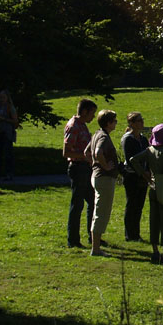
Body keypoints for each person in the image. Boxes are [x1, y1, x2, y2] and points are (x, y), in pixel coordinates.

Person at [131, 123, 163, 264]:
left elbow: (133, 160)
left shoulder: (149, 150)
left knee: (154, 220)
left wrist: (144, 174)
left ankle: (155, 251)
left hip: (153, 187)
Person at [62, 99, 97, 249]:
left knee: (93, 202)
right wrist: (85, 156)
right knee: (77, 204)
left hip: (86, 168)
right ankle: (73, 240)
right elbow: (66, 152)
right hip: (78, 168)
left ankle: (93, 237)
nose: (93, 117)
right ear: (84, 112)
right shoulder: (74, 126)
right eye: (92, 113)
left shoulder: (82, 125)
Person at [86, 109, 119, 257]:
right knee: (101, 212)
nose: (116, 123)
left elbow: (86, 153)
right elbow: (96, 153)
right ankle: (96, 248)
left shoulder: (96, 134)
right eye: (114, 121)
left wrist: (94, 165)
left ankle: (96, 246)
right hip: (104, 178)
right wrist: (104, 166)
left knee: (98, 211)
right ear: (109, 123)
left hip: (97, 176)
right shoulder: (103, 137)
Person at [121, 112, 148, 242]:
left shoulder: (143, 139)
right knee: (131, 204)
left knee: (139, 205)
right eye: (139, 121)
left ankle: (136, 233)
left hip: (144, 176)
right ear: (131, 123)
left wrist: (147, 172)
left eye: (142, 120)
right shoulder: (128, 139)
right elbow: (130, 159)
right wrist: (142, 172)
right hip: (132, 175)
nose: (142, 123)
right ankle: (129, 234)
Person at [0, 89, 18, 180]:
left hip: (7, 132)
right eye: (0, 97)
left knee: (7, 153)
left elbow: (15, 121)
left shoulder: (10, 107)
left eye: (3, 97)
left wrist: (3, 119)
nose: (1, 99)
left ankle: (9, 173)